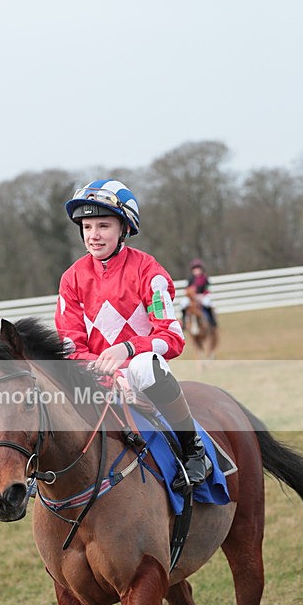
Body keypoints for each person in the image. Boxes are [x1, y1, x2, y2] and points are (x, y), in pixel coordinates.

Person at [55, 179, 212, 491]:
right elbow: (70, 346)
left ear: (124, 228)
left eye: (104, 225)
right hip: (94, 377)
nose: (94, 235)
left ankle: (194, 451)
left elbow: (172, 338)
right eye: (87, 226)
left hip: (143, 376)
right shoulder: (71, 279)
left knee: (144, 366)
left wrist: (127, 351)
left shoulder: (148, 272)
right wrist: (104, 369)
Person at [181, 259, 218, 330]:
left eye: (198, 268)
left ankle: (212, 321)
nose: (196, 270)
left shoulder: (205, 278)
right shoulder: (190, 279)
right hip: (192, 297)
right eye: (195, 269)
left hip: (202, 296)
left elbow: (207, 289)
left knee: (207, 303)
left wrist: (202, 295)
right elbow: (186, 289)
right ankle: (184, 323)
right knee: (183, 303)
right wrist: (191, 295)